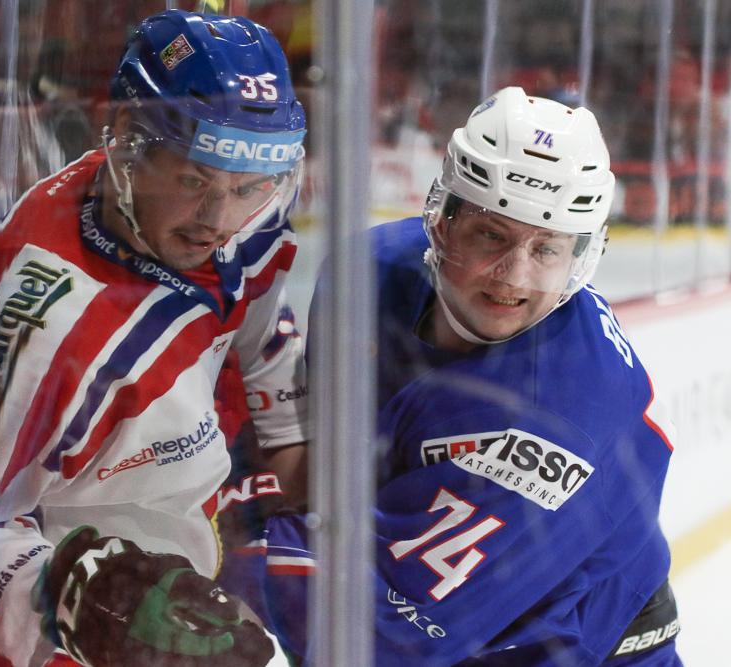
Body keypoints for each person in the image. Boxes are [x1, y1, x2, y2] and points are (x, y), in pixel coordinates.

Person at [258, 86, 682, 665]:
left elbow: (386, 636)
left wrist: (235, 533)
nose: (514, 277)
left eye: (547, 250)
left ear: (579, 257)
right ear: (442, 220)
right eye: (492, 234)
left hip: (578, 648)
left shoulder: (559, 418)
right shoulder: (365, 274)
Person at [0, 10, 309, 667]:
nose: (220, 221)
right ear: (125, 140)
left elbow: (262, 336)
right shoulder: (39, 331)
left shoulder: (241, 216)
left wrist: (288, 459)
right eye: (194, 180)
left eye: (248, 188)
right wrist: (83, 596)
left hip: (202, 534)